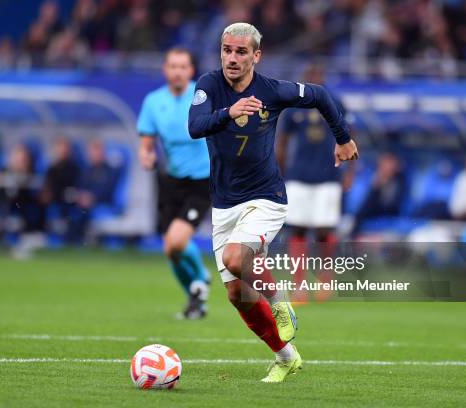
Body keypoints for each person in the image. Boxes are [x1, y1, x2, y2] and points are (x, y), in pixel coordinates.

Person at [188, 23, 358, 382]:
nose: (232, 58)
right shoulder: (208, 85)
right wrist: (229, 112)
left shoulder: (273, 91)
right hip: (224, 204)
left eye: (241, 52)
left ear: (256, 56)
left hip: (266, 197)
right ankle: (286, 357)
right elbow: (195, 125)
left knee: (236, 259)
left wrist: (342, 139)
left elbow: (321, 96)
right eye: (227, 50)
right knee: (236, 294)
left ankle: (280, 302)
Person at [138, 48, 211, 319]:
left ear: (191, 71)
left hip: (203, 181)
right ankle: (196, 298)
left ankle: (200, 278)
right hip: (171, 181)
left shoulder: (203, 97)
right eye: (173, 66)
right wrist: (146, 156)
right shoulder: (153, 102)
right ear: (165, 70)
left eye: (183, 66)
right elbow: (146, 142)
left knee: (176, 242)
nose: (178, 71)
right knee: (171, 250)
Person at [276, 63, 354, 303]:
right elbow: (283, 142)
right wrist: (280, 172)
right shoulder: (292, 107)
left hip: (329, 175)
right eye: (310, 75)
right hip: (298, 176)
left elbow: (350, 136)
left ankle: (325, 277)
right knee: (297, 229)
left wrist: (350, 170)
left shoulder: (335, 103)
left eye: (318, 75)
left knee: (324, 229)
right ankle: (299, 284)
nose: (314, 79)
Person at [352, 152, 406, 236]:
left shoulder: (399, 182)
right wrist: (375, 188)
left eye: (390, 164)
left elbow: (393, 208)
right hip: (364, 220)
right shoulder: (369, 178)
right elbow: (362, 209)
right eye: (385, 163)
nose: (387, 167)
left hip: (385, 222)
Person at [41, 137, 82, 242]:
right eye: (60, 147)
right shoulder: (51, 169)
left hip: (70, 204)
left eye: (65, 147)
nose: (62, 150)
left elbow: (77, 189)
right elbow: (47, 188)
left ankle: (71, 240)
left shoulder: (75, 169)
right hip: (55, 203)